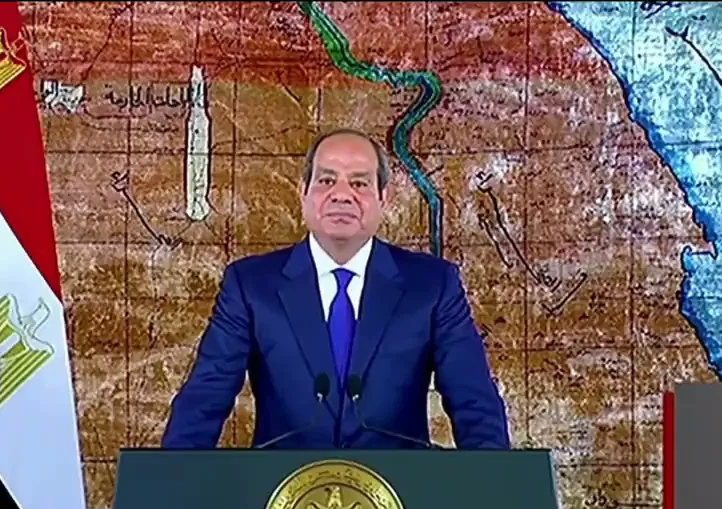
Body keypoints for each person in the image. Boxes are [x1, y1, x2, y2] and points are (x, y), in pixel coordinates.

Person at [161, 128, 510, 450]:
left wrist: (494, 488)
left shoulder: (433, 285)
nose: (341, 195)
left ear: (384, 198)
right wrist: (173, 485)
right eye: (326, 180)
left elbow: (474, 403)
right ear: (303, 193)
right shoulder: (250, 285)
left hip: (398, 493)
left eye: (359, 183)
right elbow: (204, 399)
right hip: (283, 491)